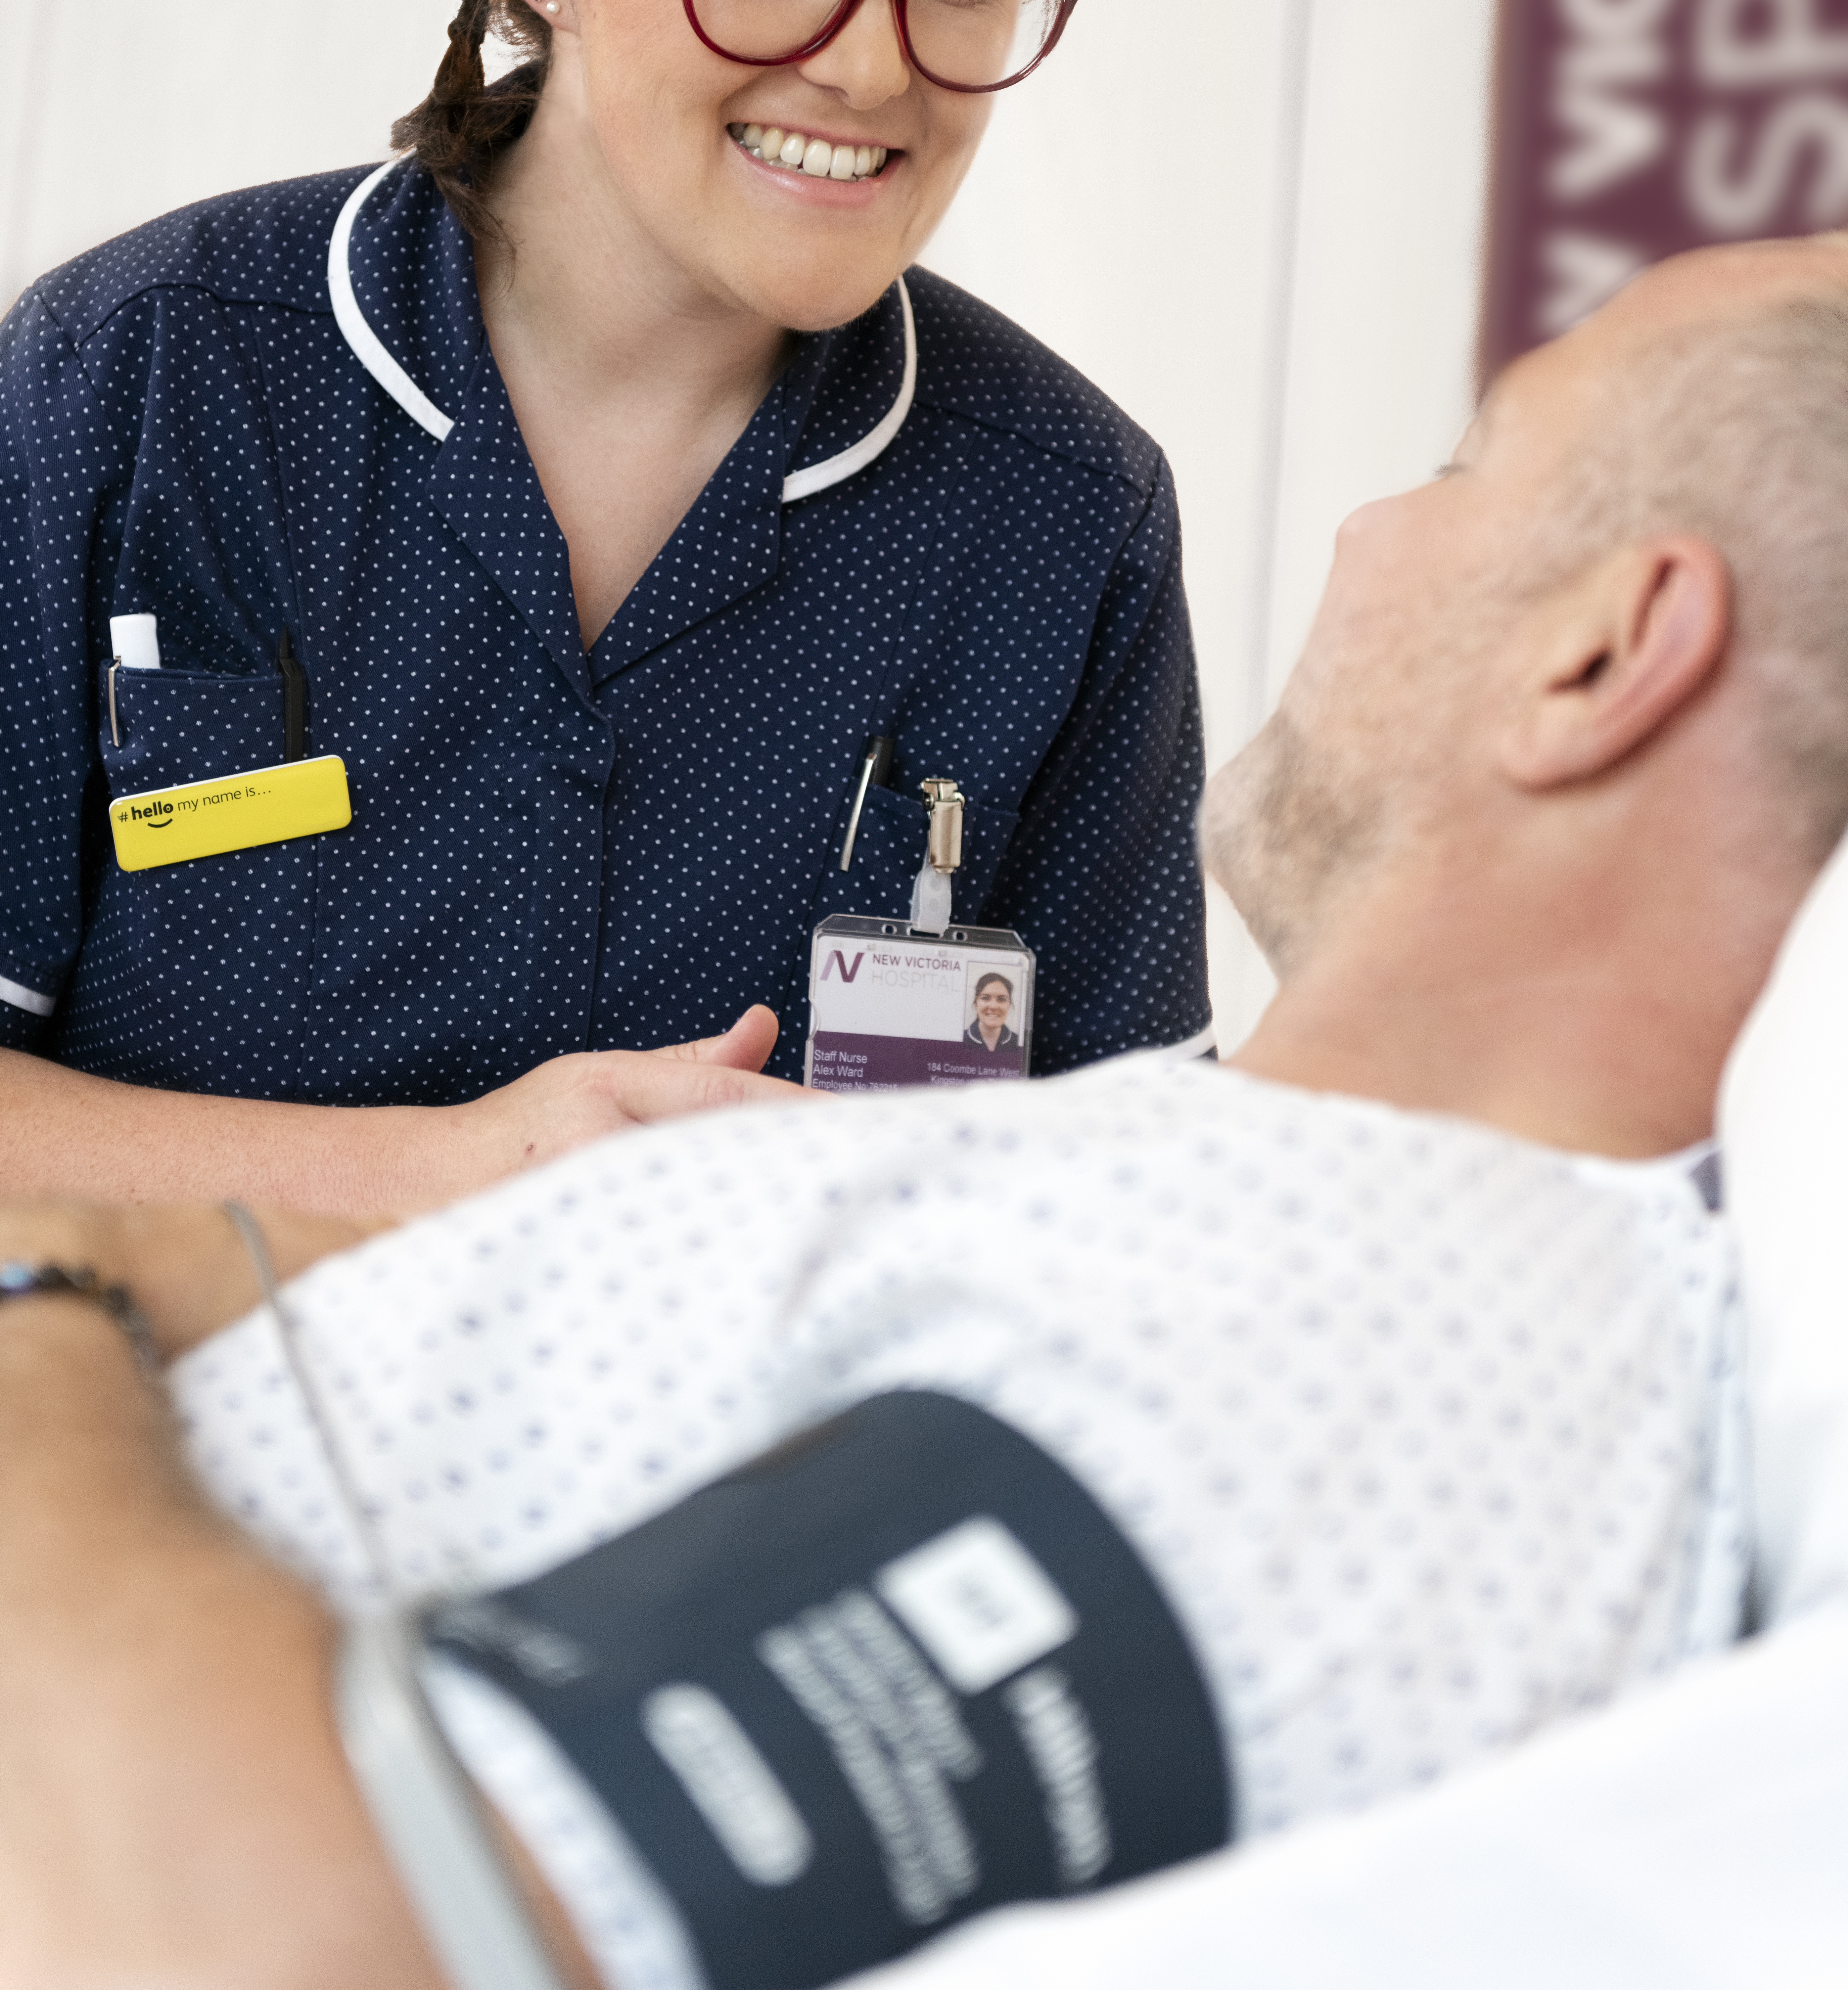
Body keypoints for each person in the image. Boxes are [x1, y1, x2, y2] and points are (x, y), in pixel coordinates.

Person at [3, 228, 1844, 1987]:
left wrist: (46, 1310)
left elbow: (237, 1954)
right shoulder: (1211, 1196)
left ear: (1601, 655)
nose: (1366, 524)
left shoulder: (1369, 1357)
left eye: (1461, 468)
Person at [0, 0, 1211, 1215]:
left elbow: (1120, 1198)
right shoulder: (135, 377)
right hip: (122, 1451)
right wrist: (468, 1167)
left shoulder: (1061, 522)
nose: (870, 66)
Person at [962, 972, 1018, 1050]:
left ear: (1009, 1005)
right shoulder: (960, 1039)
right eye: (986, 998)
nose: (994, 1006)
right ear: (976, 1004)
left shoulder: (1019, 1042)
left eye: (1002, 999)